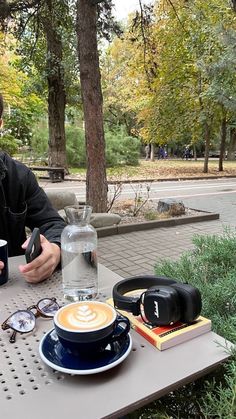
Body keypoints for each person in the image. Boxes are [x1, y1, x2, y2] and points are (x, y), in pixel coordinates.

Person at [0, 93, 66, 283]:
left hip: (13, 290)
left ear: (0, 124)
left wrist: (54, 250)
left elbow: (53, 223)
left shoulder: (18, 176)